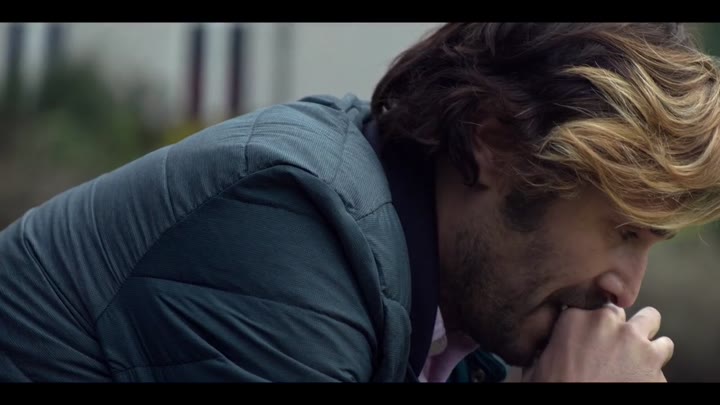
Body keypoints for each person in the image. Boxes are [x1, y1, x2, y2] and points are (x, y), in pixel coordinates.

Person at [2, 23, 720, 383]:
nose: (626, 292)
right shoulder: (288, 229)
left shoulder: (457, 323)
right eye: (622, 229)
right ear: (494, 143)